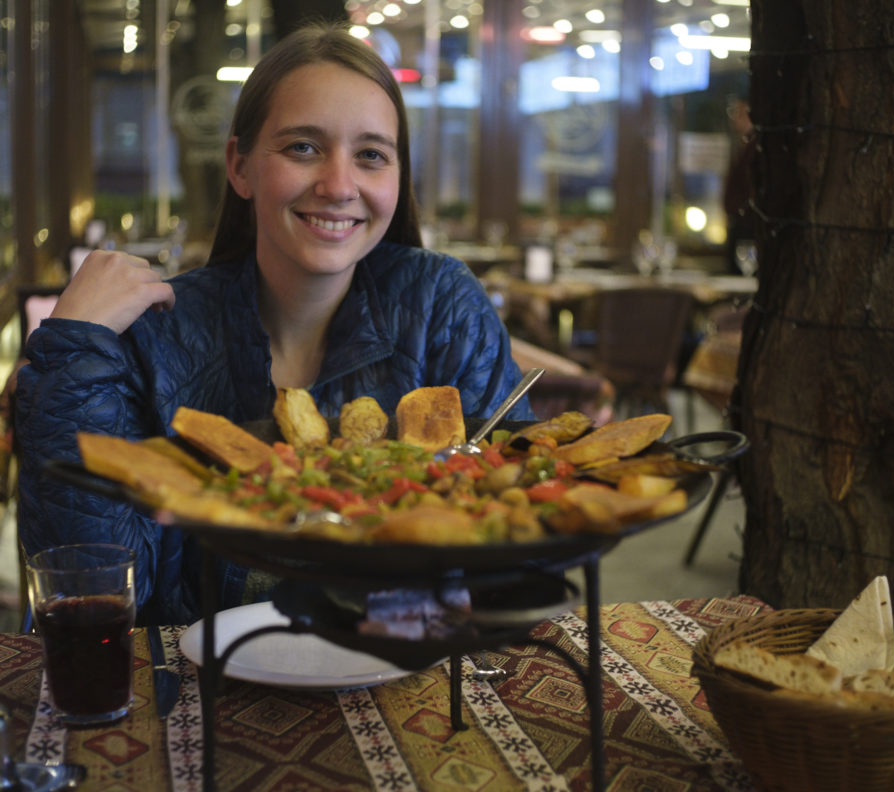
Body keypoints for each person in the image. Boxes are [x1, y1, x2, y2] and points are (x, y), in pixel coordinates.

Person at [15, 21, 533, 626]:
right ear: (240, 167)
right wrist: (76, 344)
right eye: (303, 148)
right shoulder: (155, 334)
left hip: (401, 680)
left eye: (370, 155)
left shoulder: (442, 302)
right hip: (203, 694)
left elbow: (514, 544)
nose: (339, 185)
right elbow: (92, 582)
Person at [722, 97, 756, 276]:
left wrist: (742, 209)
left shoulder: (754, 147)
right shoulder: (743, 144)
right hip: (740, 222)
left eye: (740, 113)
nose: (735, 119)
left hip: (748, 225)